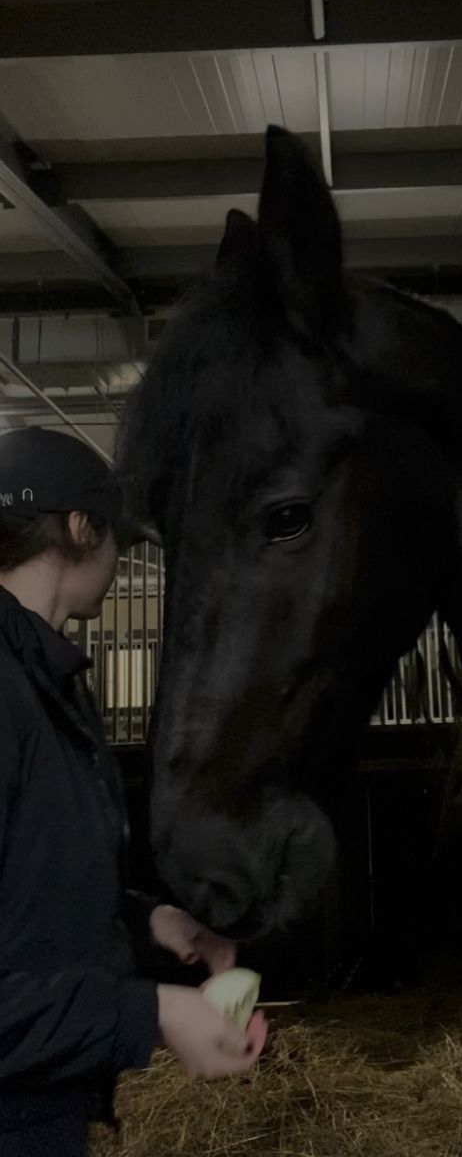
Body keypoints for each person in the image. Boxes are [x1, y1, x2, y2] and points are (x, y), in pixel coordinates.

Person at [0, 427, 267, 1157]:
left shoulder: (48, 682)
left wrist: (151, 928)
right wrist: (146, 1013)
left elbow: (28, 888)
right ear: (82, 528)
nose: (120, 562)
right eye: (115, 535)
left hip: (38, 1109)